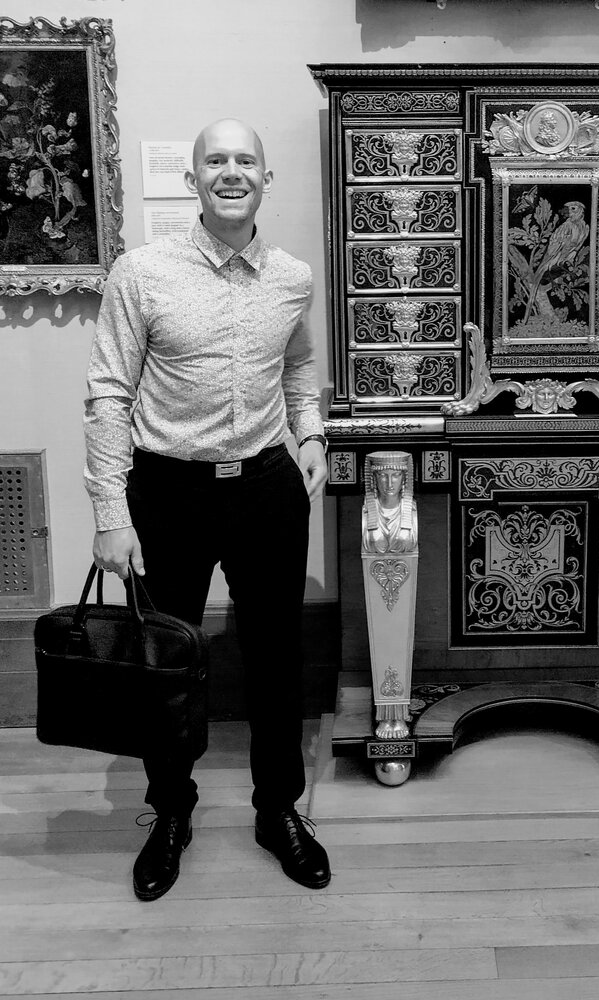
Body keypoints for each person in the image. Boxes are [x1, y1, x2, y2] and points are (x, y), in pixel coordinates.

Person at [83, 117, 330, 900]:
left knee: (276, 659)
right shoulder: (141, 273)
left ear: (265, 179)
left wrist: (310, 434)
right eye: (215, 160)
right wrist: (110, 511)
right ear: (192, 179)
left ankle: (277, 809)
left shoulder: (291, 276)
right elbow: (108, 393)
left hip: (265, 487)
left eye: (245, 160)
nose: (231, 171)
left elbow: (298, 361)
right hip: (168, 491)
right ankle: (170, 811)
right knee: (167, 662)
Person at [362, 451, 417, 554]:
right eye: (382, 475)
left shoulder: (411, 509)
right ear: (374, 478)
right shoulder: (367, 509)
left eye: (396, 475)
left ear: (404, 478)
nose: (390, 483)